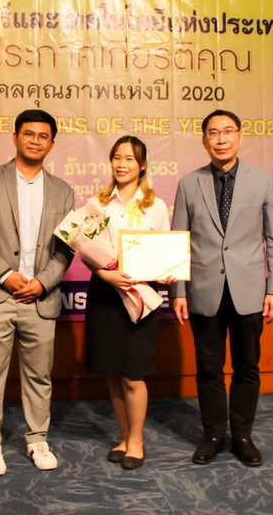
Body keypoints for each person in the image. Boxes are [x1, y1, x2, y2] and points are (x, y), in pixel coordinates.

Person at [171, 109, 273, 467]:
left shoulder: (263, 181)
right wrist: (178, 292)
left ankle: (243, 436)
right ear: (204, 139)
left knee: (247, 368)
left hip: (249, 291)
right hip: (203, 290)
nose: (221, 139)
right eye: (213, 132)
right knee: (209, 369)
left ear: (239, 136)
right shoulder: (189, 183)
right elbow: (179, 240)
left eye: (228, 131)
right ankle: (213, 435)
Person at [0, 109, 74, 476]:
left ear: (52, 144)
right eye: (29, 134)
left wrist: (42, 282)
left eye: (43, 136)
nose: (35, 141)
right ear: (15, 137)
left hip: (40, 298)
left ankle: (37, 439)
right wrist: (5, 274)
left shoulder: (63, 191)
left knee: (40, 376)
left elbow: (67, 247)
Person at [84, 136, 170, 470]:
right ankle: (123, 436)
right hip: (106, 294)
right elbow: (85, 251)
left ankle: (136, 441)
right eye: (117, 158)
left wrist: (168, 272)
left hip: (140, 296)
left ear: (142, 165)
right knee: (113, 372)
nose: (122, 164)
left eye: (130, 159)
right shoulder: (98, 203)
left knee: (133, 374)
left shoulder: (156, 206)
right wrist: (106, 275)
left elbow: (163, 254)